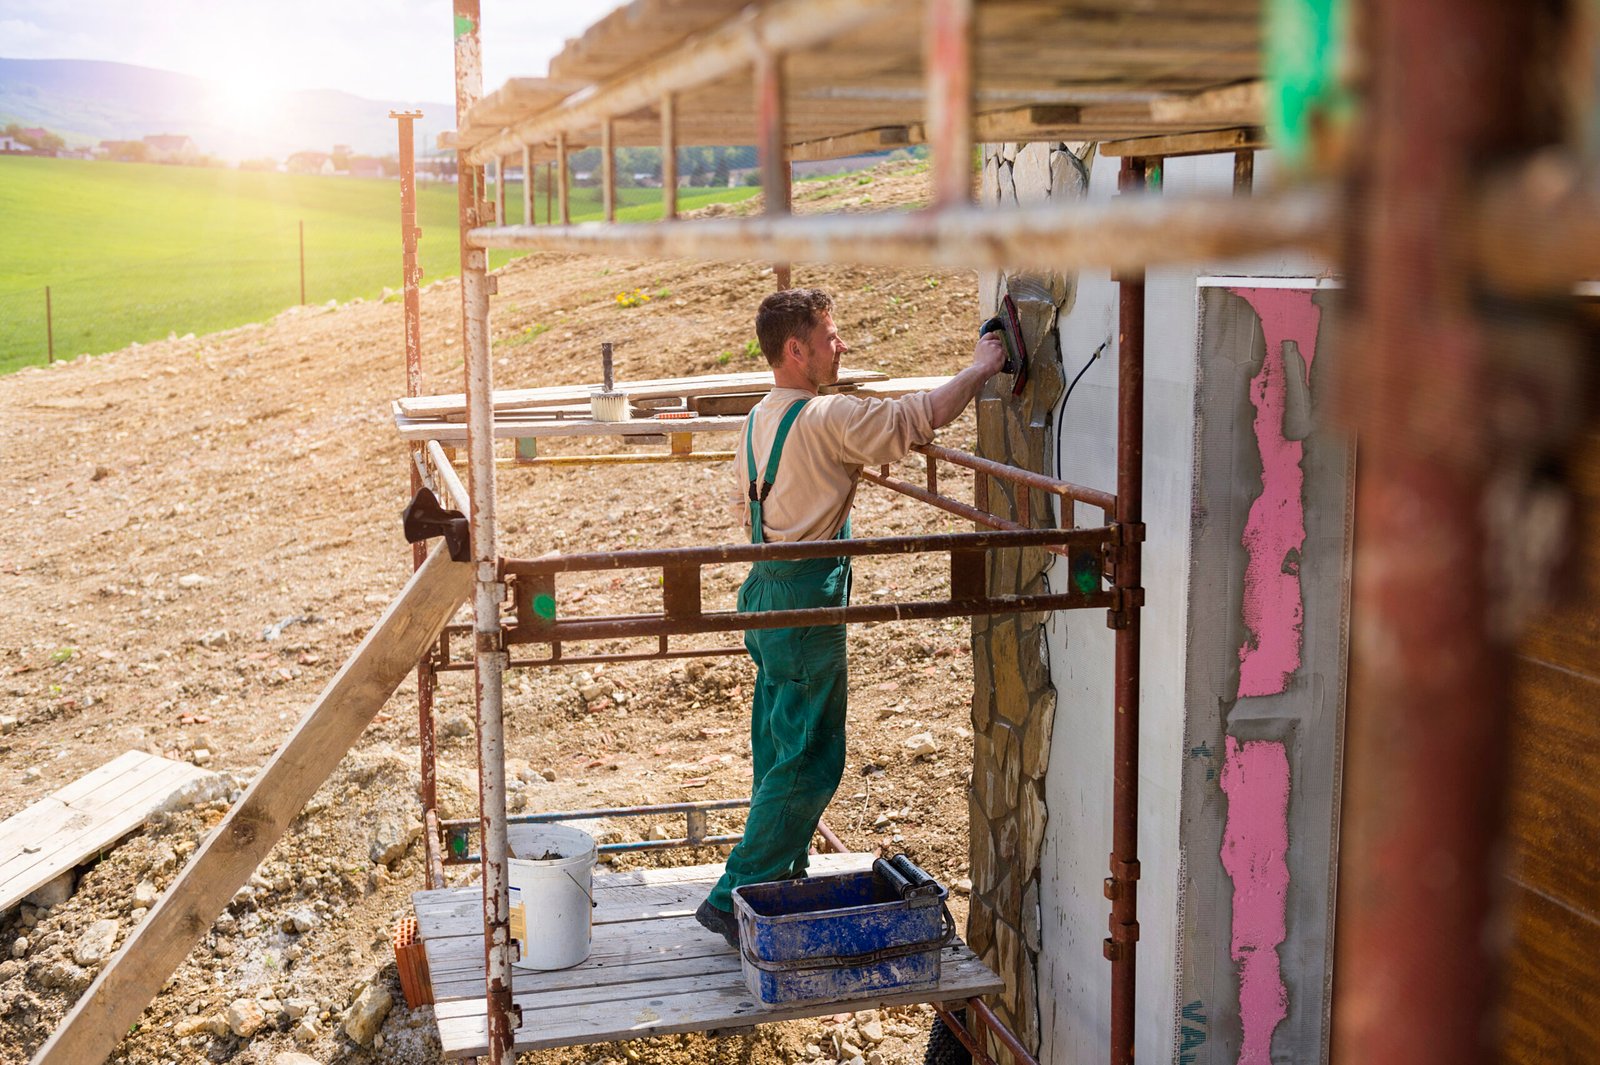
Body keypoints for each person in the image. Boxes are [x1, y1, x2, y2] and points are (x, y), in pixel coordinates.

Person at [694, 287, 1006, 947]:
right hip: (806, 597)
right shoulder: (825, 418)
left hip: (765, 589)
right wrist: (981, 367)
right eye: (830, 336)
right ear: (795, 349)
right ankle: (732, 895)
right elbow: (914, 419)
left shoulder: (761, 417)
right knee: (810, 756)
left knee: (778, 740)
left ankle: (774, 872)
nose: (842, 347)